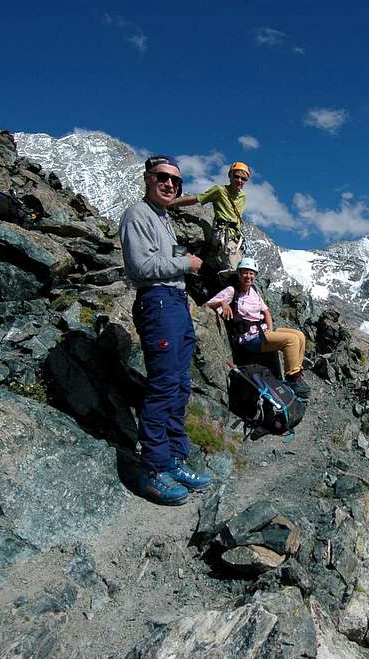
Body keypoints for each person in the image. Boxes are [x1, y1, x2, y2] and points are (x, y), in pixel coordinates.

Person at [119, 154, 213, 505]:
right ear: (148, 178)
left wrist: (189, 261)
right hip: (156, 301)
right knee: (162, 386)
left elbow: (172, 261)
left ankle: (174, 460)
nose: (170, 184)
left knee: (179, 385)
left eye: (176, 180)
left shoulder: (165, 219)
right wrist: (185, 262)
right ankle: (153, 470)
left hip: (176, 302)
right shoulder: (137, 215)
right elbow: (141, 266)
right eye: (163, 177)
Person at [204, 257, 311, 398]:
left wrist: (270, 330)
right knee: (291, 340)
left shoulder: (253, 290)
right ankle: (292, 378)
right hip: (249, 338)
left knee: (300, 335)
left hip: (261, 331)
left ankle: (298, 373)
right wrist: (223, 303)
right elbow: (207, 304)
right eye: (245, 273)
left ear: (255, 275)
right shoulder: (232, 290)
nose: (248, 276)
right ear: (239, 273)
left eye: (251, 273)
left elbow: (266, 311)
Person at [168, 161, 250, 275]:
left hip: (235, 237)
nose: (240, 181)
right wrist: (171, 203)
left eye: (243, 179)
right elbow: (196, 199)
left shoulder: (243, 196)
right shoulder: (220, 190)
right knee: (234, 271)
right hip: (223, 234)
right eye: (236, 176)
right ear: (230, 176)